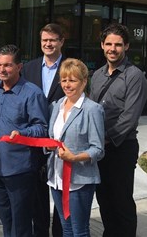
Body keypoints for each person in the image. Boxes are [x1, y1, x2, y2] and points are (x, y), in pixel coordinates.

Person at [89, 23, 147, 237]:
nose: (112, 49)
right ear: (102, 45)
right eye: (108, 44)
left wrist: (103, 140)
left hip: (120, 148)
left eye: (118, 44)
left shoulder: (135, 77)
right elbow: (90, 109)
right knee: (104, 199)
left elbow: (129, 118)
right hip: (98, 148)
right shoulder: (96, 75)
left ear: (126, 47)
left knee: (121, 201)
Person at [0, 44, 48, 237]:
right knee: (6, 223)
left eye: (7, 65)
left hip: (20, 170)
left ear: (19, 67)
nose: (2, 69)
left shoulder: (32, 93)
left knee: (20, 227)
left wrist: (22, 134)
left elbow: (42, 128)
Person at [47, 58, 105, 237]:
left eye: (72, 80)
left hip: (79, 180)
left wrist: (75, 157)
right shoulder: (56, 106)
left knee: (79, 231)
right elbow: (52, 137)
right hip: (56, 178)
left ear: (84, 82)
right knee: (66, 229)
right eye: (64, 80)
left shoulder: (92, 109)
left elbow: (98, 149)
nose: (67, 84)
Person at [22, 23, 66, 237]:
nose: (48, 44)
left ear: (61, 42)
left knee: (61, 194)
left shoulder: (71, 66)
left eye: (53, 40)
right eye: (44, 40)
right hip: (36, 142)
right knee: (38, 197)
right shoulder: (29, 68)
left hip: (62, 143)